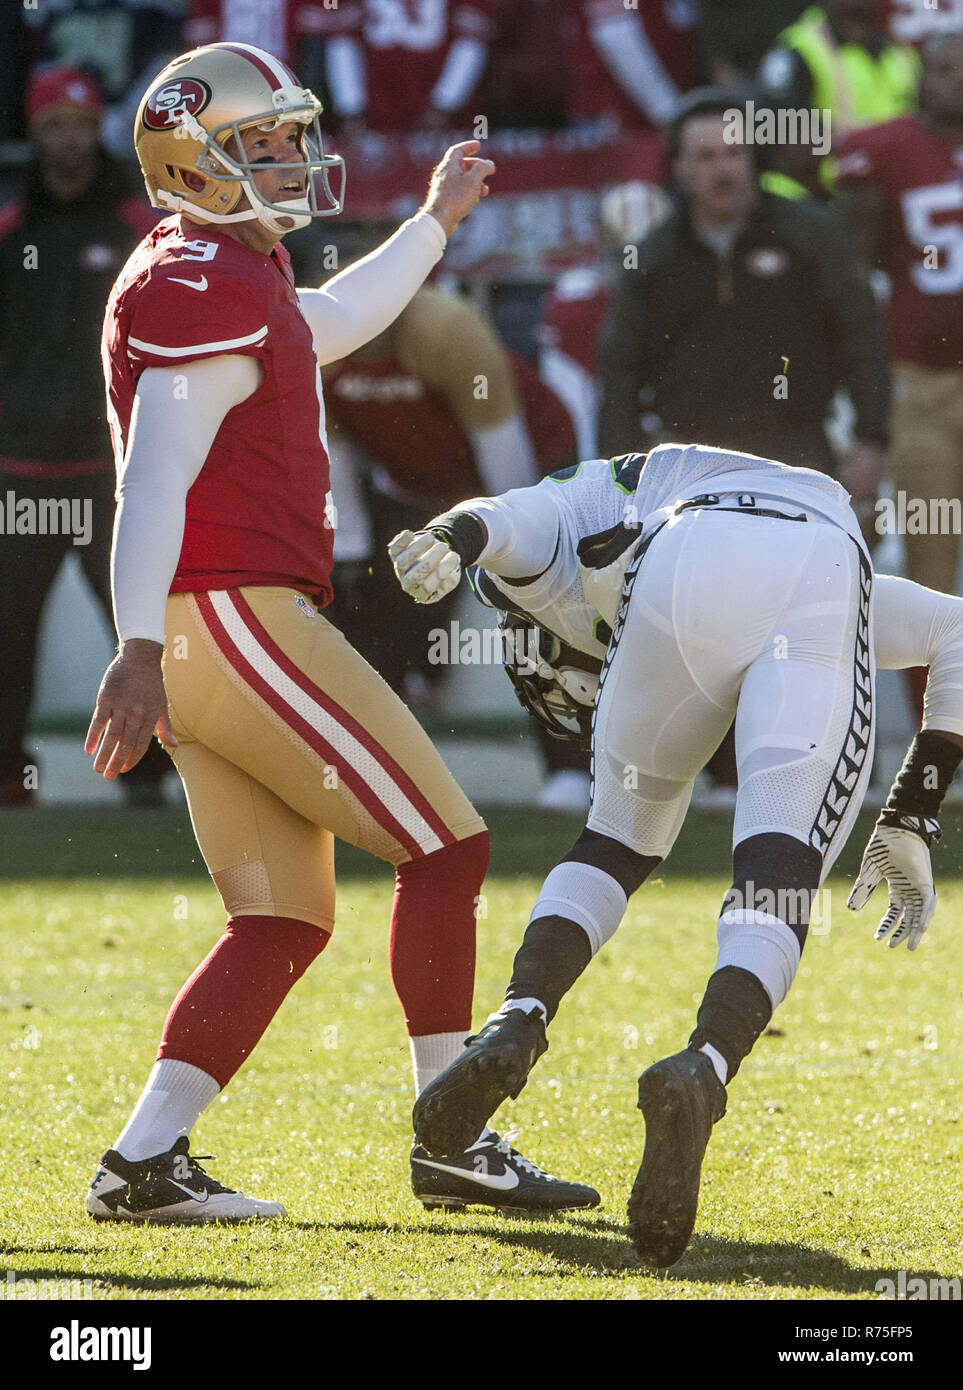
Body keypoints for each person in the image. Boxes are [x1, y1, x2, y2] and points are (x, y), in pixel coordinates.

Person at [84, 41, 598, 1223]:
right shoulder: (197, 277)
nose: (293, 158)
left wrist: (431, 223)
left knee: (280, 917)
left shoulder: (228, 267)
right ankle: (454, 1138)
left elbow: (332, 316)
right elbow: (153, 483)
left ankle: (141, 1162)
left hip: (207, 626)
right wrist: (135, 647)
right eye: (261, 144)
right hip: (228, 616)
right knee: (448, 844)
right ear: (194, 162)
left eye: (289, 136)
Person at [389, 440, 963, 1265]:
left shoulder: (577, 519)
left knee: (615, 838)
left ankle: (518, 1017)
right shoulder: (643, 499)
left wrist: (448, 539)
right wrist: (911, 813)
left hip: (681, 567)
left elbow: (504, 519)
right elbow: (953, 630)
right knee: (778, 868)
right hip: (808, 556)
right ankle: (704, 1064)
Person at [322, 278, 582, 808]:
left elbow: (507, 461)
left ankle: (571, 769)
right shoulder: (316, 343)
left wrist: (518, 543)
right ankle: (370, 769)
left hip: (525, 473)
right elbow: (332, 452)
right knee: (366, 616)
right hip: (415, 489)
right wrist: (347, 554)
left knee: (544, 614)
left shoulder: (448, 330)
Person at [0, 65, 169, 808]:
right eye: (53, 126)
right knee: (7, 637)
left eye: (80, 123)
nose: (69, 141)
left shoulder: (141, 228)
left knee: (145, 634)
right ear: (34, 134)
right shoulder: (10, 233)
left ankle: (158, 777)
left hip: (113, 473)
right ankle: (8, 777)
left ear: (101, 127)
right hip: (21, 471)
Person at [837, 31, 963, 724]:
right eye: (941, 70)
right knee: (928, 572)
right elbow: (854, 261)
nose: (954, 82)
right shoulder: (885, 150)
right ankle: (935, 745)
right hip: (921, 384)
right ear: (920, 78)